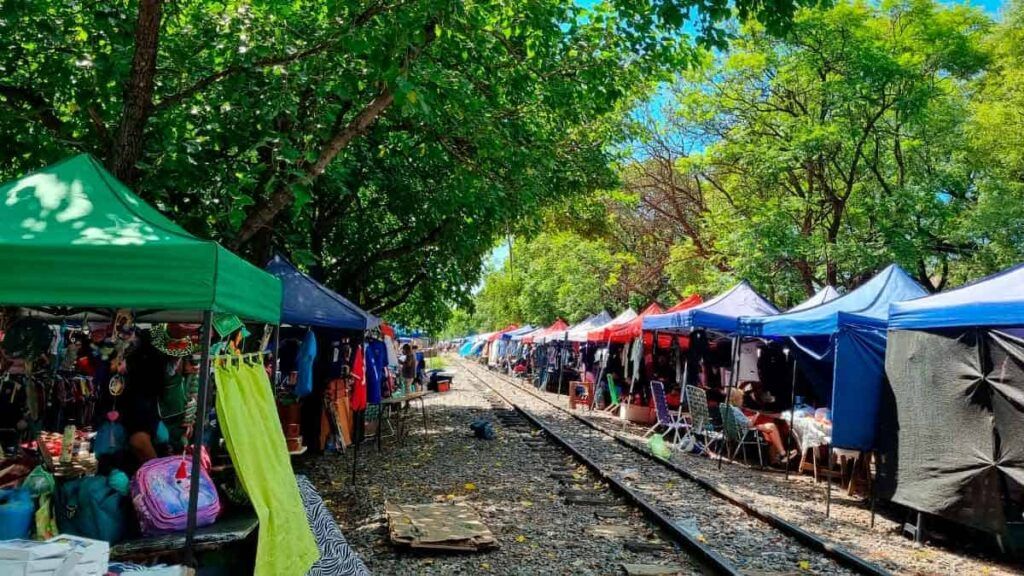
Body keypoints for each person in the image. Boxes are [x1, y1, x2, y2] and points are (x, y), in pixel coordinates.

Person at [727, 388, 794, 466]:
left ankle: (778, 457)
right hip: (746, 433)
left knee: (770, 428)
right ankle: (782, 455)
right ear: (736, 399)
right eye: (741, 398)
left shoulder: (731, 408)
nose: (742, 400)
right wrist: (757, 414)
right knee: (771, 426)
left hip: (739, 431)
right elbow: (749, 424)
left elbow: (743, 422)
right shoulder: (736, 410)